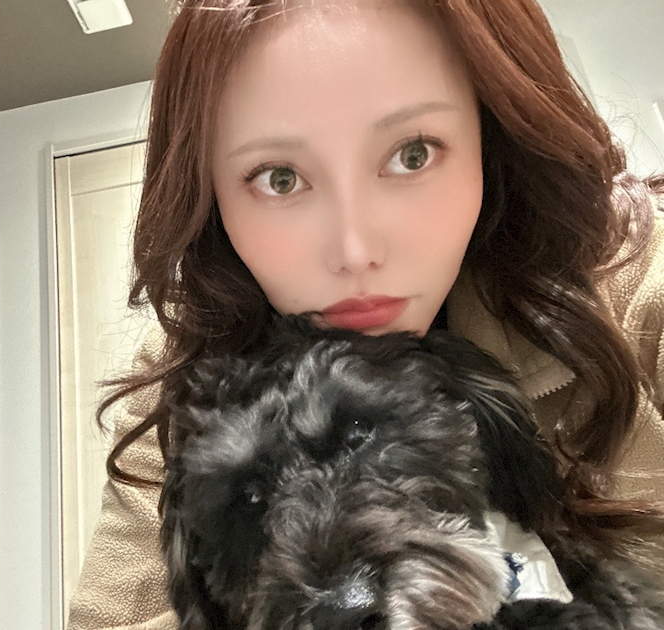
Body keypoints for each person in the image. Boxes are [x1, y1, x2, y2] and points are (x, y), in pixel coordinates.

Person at [66, 1, 664, 629]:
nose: (355, 251)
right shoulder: (179, 394)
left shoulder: (634, 280)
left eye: (413, 153)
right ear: (211, 195)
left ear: (492, 137)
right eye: (279, 178)